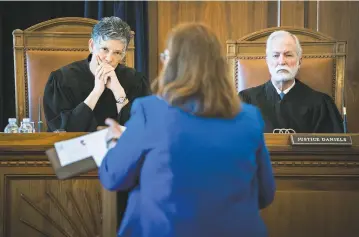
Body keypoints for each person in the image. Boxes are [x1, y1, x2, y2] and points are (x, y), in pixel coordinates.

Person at [99, 23, 276, 237]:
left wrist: (116, 143)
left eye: (165, 57)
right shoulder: (250, 118)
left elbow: (113, 177)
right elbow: (265, 194)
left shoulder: (150, 111)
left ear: (172, 64)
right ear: (219, 66)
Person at [43, 16, 150, 132]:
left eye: (117, 52)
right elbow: (61, 131)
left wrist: (119, 92)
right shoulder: (61, 79)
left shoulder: (136, 80)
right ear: (92, 46)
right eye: (104, 49)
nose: (109, 58)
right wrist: (96, 92)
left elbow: (141, 130)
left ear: (123, 54)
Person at [239, 30, 344, 133]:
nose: (282, 61)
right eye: (275, 55)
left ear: (299, 62)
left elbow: (333, 148)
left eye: (288, 55)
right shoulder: (246, 101)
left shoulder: (321, 104)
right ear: (267, 61)